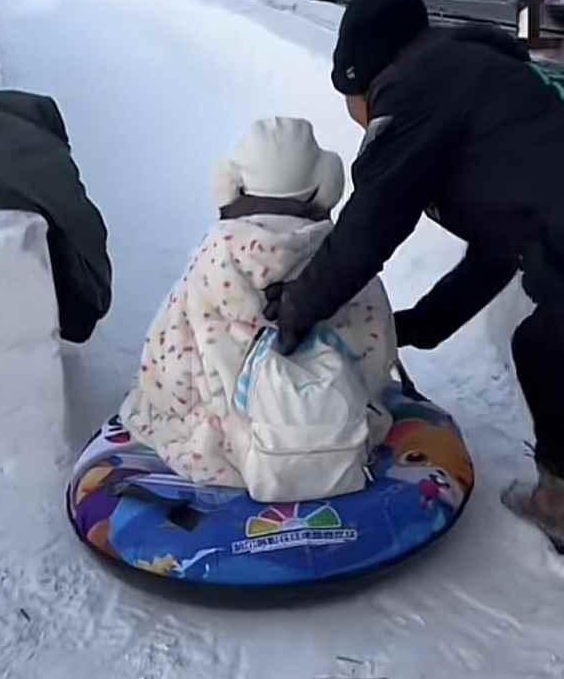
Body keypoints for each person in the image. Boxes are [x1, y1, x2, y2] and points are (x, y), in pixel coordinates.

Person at [264, 0, 564, 559]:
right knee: (545, 348)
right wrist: (424, 323)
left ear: (363, 80)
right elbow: (502, 244)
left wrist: (297, 307)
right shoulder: (488, 81)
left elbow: (369, 226)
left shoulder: (414, 93)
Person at [121, 117, 397, 489]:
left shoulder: (214, 255)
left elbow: (168, 350)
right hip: (337, 425)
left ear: (231, 184)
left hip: (236, 440)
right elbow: (376, 343)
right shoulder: (341, 254)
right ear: (326, 181)